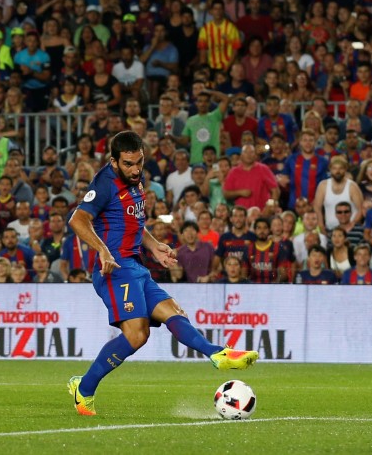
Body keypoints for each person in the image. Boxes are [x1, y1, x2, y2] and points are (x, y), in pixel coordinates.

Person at [66, 131, 258, 417]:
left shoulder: (136, 181)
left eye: (139, 162)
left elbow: (130, 222)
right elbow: (77, 219)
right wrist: (103, 251)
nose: (135, 169)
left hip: (135, 265)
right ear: (114, 161)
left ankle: (218, 354)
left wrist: (154, 246)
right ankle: (85, 389)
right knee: (136, 336)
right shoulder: (104, 183)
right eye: (128, 164)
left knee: (172, 310)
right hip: (116, 269)